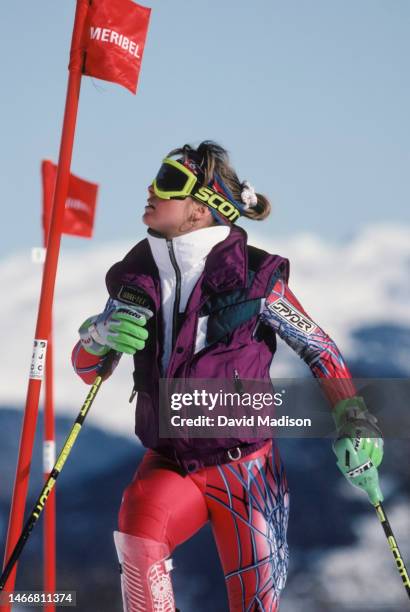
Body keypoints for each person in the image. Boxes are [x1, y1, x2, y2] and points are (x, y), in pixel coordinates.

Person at [72, 141, 384, 611]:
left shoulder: (257, 278)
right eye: (158, 176)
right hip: (172, 460)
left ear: (202, 209)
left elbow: (319, 348)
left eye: (170, 182)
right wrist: (97, 335)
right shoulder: (137, 278)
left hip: (247, 473)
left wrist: (354, 418)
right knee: (138, 537)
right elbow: (87, 368)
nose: (151, 189)